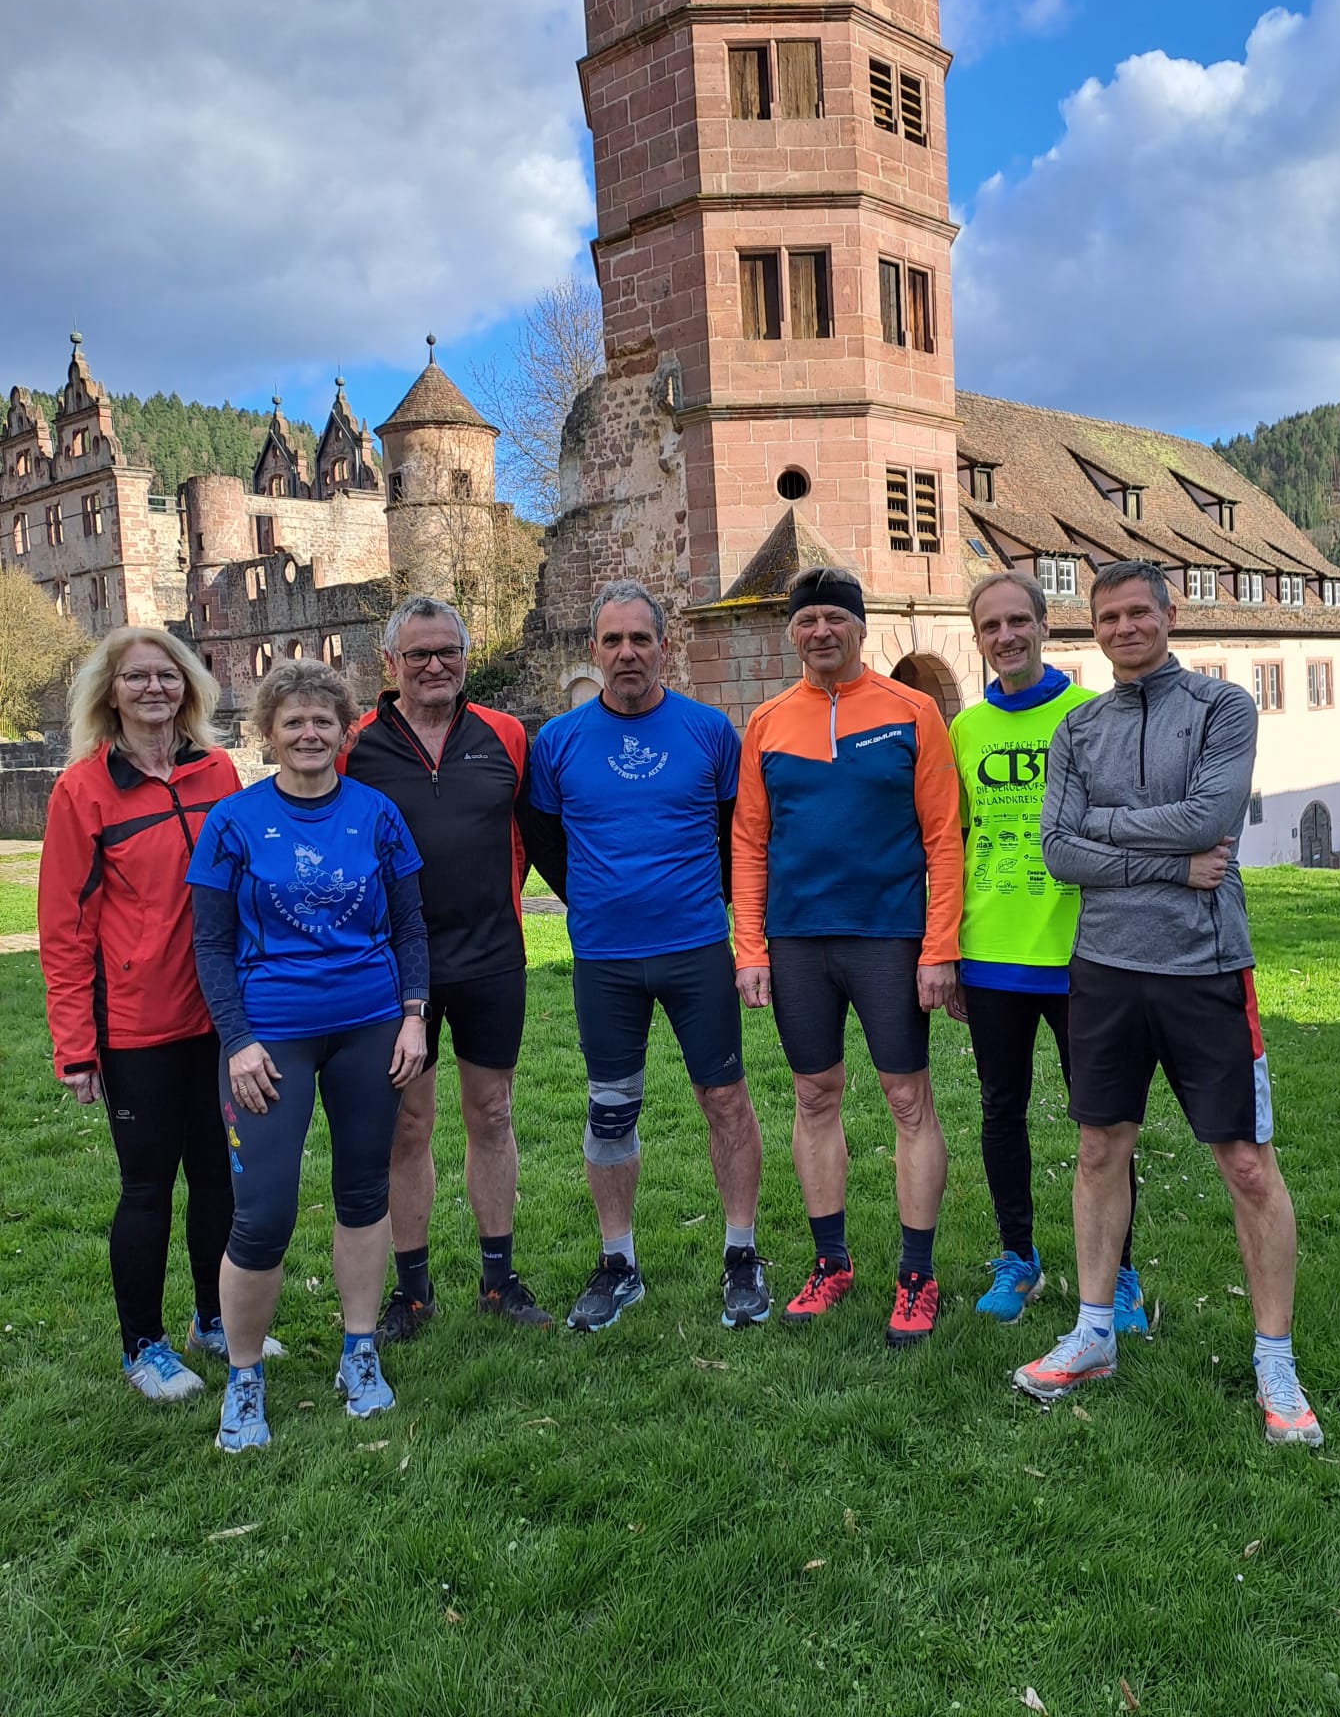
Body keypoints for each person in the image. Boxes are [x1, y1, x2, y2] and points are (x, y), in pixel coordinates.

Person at [1015, 560, 1322, 1446]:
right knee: (1097, 1149)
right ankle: (1094, 1333)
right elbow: (1058, 853)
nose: (1123, 628)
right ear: (1094, 629)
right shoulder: (1079, 728)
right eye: (1107, 617)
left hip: (1205, 967)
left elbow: (1207, 821)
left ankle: (1275, 1361)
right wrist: (1168, 861)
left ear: (1168, 614)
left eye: (1136, 612)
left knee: (1247, 1163)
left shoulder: (1223, 708)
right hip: (1104, 967)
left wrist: (1105, 826)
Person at [188, 660, 429, 1452]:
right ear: (267, 734)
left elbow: (410, 926)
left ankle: (359, 1353)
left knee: (363, 1192)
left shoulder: (377, 815)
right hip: (270, 1037)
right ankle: (244, 1378)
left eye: (323, 720)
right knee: (262, 1214)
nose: (309, 734)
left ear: (346, 730)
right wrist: (237, 1040)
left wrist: (413, 1017)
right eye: (292, 721)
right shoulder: (233, 823)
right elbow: (211, 945)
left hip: (369, 1026)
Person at [521, 580, 768, 1333]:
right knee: (610, 1109)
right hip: (606, 958)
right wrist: (595, 896)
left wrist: (701, 901)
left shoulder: (708, 731)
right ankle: (618, 1262)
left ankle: (741, 1253)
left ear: (664, 646)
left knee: (724, 1100)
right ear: (593, 650)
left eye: (640, 638)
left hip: (696, 950)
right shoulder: (558, 741)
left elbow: (736, 832)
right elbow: (544, 841)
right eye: (613, 640)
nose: (627, 652)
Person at [733, 566, 963, 1347]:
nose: (821, 631)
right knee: (813, 1096)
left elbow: (943, 837)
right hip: (799, 940)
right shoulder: (767, 722)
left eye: (835, 618)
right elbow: (749, 840)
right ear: (791, 633)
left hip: (888, 937)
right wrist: (750, 947)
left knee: (907, 1100)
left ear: (861, 628)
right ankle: (830, 1261)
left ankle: (917, 1274)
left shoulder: (912, 711)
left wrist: (939, 947)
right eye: (807, 620)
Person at [38, 626, 252, 1402]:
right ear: (111, 692)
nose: (154, 688)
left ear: (188, 685)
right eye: (136, 677)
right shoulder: (83, 791)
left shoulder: (217, 771)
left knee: (220, 1179)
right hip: (136, 1025)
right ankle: (144, 1347)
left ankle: (214, 1319)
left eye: (167, 675)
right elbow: (65, 929)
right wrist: (75, 1045)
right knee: (147, 1188)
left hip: (220, 1017)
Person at [341, 595, 548, 1341]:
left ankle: (499, 1280)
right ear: (389, 663)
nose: (435, 666)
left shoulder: (506, 735)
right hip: (397, 970)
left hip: (492, 957)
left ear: (466, 656)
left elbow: (533, 835)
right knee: (408, 1126)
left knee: (491, 1114)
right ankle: (413, 1291)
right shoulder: (356, 748)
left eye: (448, 652)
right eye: (418, 654)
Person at [948, 573, 1146, 1332]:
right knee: (1001, 1108)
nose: (1006, 637)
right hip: (992, 951)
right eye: (990, 626)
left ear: (1044, 626)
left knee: (1104, 1121)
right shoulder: (966, 729)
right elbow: (953, 840)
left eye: (1018, 621)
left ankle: (1118, 1275)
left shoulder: (1089, 715)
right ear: (978, 639)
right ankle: (1017, 1258)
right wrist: (948, 947)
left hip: (1083, 954)